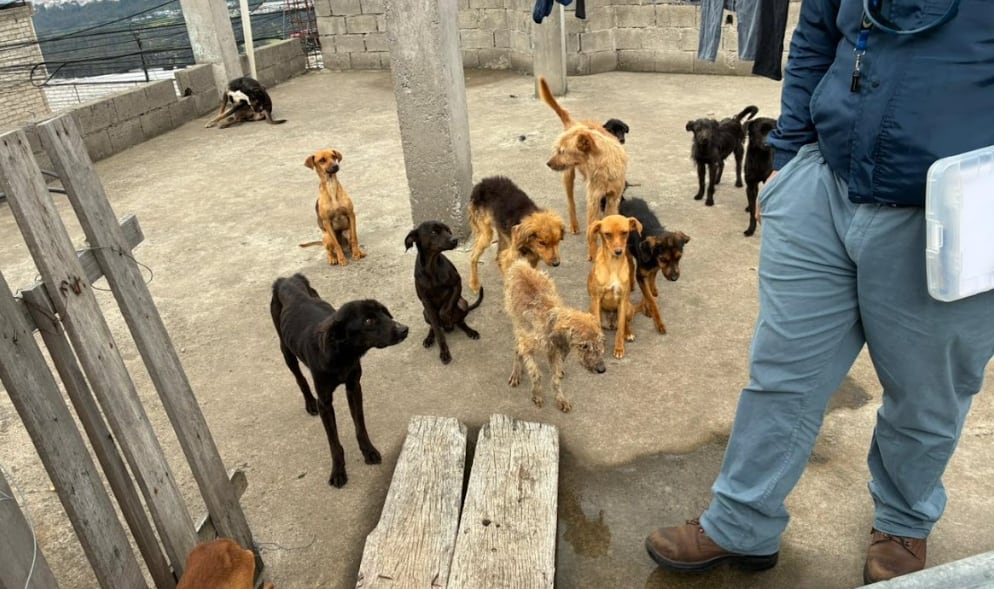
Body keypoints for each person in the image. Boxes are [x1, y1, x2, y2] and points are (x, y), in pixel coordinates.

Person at [645, 0, 994, 584]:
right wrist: (789, 154)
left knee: (927, 392)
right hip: (824, 184)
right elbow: (814, 34)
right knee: (782, 372)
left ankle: (903, 522)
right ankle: (740, 522)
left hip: (952, 208)